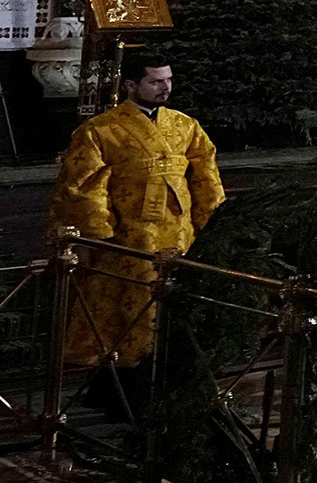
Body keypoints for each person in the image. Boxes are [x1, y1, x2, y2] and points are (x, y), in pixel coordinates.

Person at [50, 54, 225, 372]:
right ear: (131, 85)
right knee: (128, 310)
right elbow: (82, 187)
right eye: (156, 81)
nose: (165, 87)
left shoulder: (186, 126)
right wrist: (99, 237)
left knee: (175, 311)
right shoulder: (100, 130)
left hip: (180, 236)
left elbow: (206, 179)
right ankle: (124, 375)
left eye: (169, 79)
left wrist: (212, 224)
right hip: (129, 240)